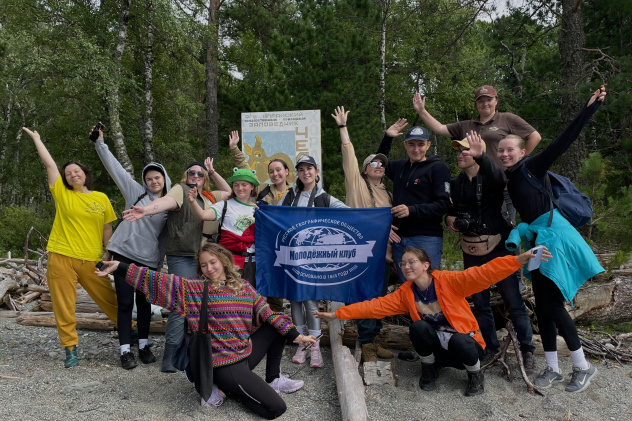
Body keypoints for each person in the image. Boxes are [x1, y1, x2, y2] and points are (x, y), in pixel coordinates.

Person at [96, 243, 316, 419]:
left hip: (244, 354)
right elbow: (157, 278)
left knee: (276, 324)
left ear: (224, 261)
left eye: (213, 262)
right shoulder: (194, 288)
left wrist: (297, 336)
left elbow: (269, 314)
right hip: (222, 364)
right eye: (203, 265)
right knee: (276, 409)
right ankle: (227, 389)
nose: (209, 268)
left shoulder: (244, 287)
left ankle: (273, 378)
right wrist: (120, 267)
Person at [315, 246, 551, 396]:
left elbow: (482, 273)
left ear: (426, 265)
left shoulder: (449, 281)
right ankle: (429, 368)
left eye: (412, 262)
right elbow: (374, 306)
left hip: (464, 347)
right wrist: (337, 314)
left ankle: (475, 375)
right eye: (403, 264)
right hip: (438, 348)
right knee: (418, 327)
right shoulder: (405, 293)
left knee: (461, 341)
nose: (406, 266)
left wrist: (517, 259)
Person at [497, 87, 606, 393]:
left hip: (553, 237)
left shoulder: (532, 167)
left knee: (553, 306)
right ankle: (553, 369)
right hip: (536, 240)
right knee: (544, 308)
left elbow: (564, 140)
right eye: (501, 151)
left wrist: (589, 108)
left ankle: (584, 367)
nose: (505, 154)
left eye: (510, 150)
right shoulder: (510, 178)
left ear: (522, 151)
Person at [23, 127, 119, 368]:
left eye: (77, 171)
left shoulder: (101, 198)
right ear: (65, 179)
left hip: (91, 259)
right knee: (63, 304)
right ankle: (70, 349)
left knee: (110, 299)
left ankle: (132, 332)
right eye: (68, 173)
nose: (73, 175)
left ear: (85, 174)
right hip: (61, 257)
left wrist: (109, 254)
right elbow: (50, 166)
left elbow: (107, 229)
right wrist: (37, 139)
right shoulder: (63, 195)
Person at [123, 159, 231, 372]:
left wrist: (213, 170)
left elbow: (228, 191)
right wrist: (146, 210)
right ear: (186, 175)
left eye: (200, 174)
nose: (196, 177)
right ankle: (170, 357)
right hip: (181, 256)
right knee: (180, 304)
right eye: (192, 172)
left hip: (204, 258)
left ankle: (192, 349)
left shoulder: (210, 196)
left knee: (201, 305)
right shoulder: (181, 189)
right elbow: (166, 202)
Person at [447, 132, 536, 372]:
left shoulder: (492, 179)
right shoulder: (456, 183)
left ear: (477, 153)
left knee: (513, 301)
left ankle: (528, 350)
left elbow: (498, 177)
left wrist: (483, 156)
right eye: (458, 151)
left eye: (466, 150)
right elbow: (449, 208)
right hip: (472, 248)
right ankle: (490, 348)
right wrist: (449, 218)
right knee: (480, 303)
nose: (460, 154)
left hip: (498, 247)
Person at [93, 125, 171, 369]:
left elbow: (165, 238)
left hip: (147, 260)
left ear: (164, 178)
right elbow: (116, 170)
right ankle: (125, 350)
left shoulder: (170, 203)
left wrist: (158, 264)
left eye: (157, 177)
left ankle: (144, 345)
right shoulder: (136, 193)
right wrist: (99, 144)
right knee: (126, 303)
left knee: (145, 304)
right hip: (123, 255)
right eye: (149, 178)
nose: (153, 181)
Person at [413, 85, 542, 225]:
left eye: (489, 99)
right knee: (478, 227)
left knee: (506, 227)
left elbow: (535, 137)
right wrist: (421, 110)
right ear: (476, 104)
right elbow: (439, 128)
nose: (485, 103)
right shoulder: (466, 125)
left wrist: (517, 163)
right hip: (475, 188)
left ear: (496, 100)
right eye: (480, 101)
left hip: (502, 185)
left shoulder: (507, 119)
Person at [332, 105, 395, 363]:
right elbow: (349, 157)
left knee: (379, 298)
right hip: (362, 254)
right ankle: (366, 343)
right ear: (365, 169)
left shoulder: (389, 193)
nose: (378, 166)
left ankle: (374, 337)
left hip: (385, 256)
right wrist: (343, 128)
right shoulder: (357, 185)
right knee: (368, 297)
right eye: (373, 163)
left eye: (382, 163)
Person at [278, 155, 348, 368]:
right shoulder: (289, 196)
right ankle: (302, 343)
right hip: (292, 255)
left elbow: (349, 214)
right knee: (295, 299)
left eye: (310, 169)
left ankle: (315, 345)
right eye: (302, 169)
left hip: (314, 257)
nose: (306, 172)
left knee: (310, 299)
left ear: (316, 172)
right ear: (297, 173)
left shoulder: (325, 198)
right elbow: (276, 215)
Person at [376, 120, 451, 281]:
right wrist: (388, 137)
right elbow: (379, 162)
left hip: (426, 237)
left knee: (428, 284)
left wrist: (412, 210)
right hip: (400, 238)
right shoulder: (400, 167)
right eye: (411, 144)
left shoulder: (437, 168)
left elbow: (443, 204)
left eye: (420, 144)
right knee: (407, 287)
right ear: (405, 145)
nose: (416, 149)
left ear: (428, 145)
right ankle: (411, 308)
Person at [228, 130, 288, 311]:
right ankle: (254, 326)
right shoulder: (263, 190)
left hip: (284, 247)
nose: (275, 174)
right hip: (263, 246)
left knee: (276, 289)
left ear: (286, 172)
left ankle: (277, 330)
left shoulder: (295, 195)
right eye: (271, 171)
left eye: (278, 170)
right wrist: (234, 149)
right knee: (258, 287)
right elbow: (245, 167)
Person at [188, 167, 258, 285]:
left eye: (244, 184)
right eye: (236, 185)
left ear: (252, 186)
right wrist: (192, 202)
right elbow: (203, 215)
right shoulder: (224, 205)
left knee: (247, 298)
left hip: (252, 262)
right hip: (228, 261)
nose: (240, 188)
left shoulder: (259, 209)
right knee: (226, 296)